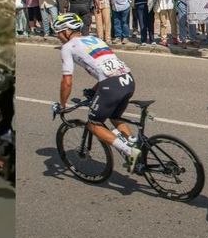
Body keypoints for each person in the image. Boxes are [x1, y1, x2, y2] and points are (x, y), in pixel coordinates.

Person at [50, 13, 141, 169]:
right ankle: (135, 146)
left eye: (58, 32)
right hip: (128, 80)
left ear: (67, 31)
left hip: (112, 86)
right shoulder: (96, 39)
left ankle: (130, 152)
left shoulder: (67, 47)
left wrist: (62, 105)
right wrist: (93, 91)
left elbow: (67, 82)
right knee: (114, 116)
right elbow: (107, 69)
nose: (57, 36)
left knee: (93, 125)